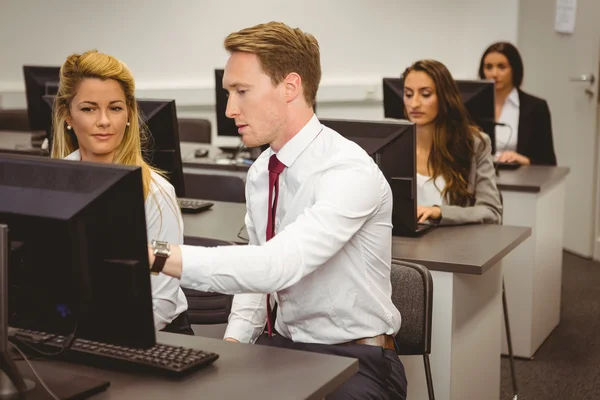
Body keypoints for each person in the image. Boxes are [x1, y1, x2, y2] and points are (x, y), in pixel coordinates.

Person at [150, 22, 406, 399]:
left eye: (241, 92)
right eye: (228, 92)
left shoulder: (348, 170)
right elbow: (259, 279)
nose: (229, 108)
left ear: (290, 87)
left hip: (356, 358)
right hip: (282, 347)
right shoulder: (260, 172)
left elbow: (277, 265)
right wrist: (234, 344)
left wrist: (156, 255)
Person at [51, 50, 192, 335]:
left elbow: (161, 302)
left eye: (115, 108)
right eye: (89, 108)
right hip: (74, 329)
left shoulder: (156, 193)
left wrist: (98, 341)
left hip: (151, 334)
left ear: (129, 114)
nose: (104, 121)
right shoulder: (51, 184)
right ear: (68, 116)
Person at [402, 59, 502, 225]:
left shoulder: (474, 143)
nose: (414, 103)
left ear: (444, 98)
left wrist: (440, 212)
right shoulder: (395, 144)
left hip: (457, 246)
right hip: (405, 244)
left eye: (425, 94)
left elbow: (491, 211)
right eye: (408, 94)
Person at [479, 41, 557, 166]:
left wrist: (524, 160)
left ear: (514, 69)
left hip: (520, 176)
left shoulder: (535, 107)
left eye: (502, 67)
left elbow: (548, 162)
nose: (494, 74)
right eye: (488, 67)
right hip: (480, 177)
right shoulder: (473, 106)